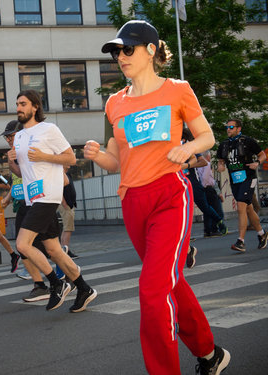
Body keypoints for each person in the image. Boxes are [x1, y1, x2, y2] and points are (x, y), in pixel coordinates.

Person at [85, 20, 230, 374]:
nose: (121, 57)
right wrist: (95, 155)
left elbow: (207, 136)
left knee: (152, 290)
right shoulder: (113, 104)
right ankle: (210, 354)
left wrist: (189, 149)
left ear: (151, 50)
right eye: (116, 51)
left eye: (128, 49)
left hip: (169, 195)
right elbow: (115, 161)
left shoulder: (178, 91)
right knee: (170, 284)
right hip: (132, 202)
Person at [10, 89, 97, 313]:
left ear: (35, 107)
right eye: (17, 104)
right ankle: (83, 288)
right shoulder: (19, 136)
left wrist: (44, 156)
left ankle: (56, 284)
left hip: (48, 195)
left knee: (22, 244)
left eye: (23, 104)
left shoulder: (49, 129)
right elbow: (25, 169)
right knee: (54, 250)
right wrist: (12, 161)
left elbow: (71, 159)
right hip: (31, 198)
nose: (18, 108)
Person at [0, 120, 50, 302]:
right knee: (26, 246)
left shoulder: (27, 148)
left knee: (46, 246)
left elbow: (23, 173)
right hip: (25, 203)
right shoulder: (16, 151)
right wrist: (7, 198)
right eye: (6, 136)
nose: (8, 139)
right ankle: (40, 284)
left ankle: (66, 277)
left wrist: (11, 160)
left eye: (10, 135)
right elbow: (17, 179)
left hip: (39, 201)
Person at [217, 118, 267, 252]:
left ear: (239, 128)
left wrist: (257, 163)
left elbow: (262, 155)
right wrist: (220, 166)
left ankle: (241, 241)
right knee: (249, 209)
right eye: (227, 127)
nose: (228, 129)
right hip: (235, 180)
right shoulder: (224, 144)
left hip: (249, 178)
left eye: (231, 127)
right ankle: (262, 234)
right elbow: (221, 160)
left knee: (240, 207)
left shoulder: (248, 141)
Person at [181, 129, 227, 238]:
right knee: (182, 209)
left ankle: (218, 221)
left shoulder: (191, 147)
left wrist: (187, 166)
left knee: (204, 207)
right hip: (180, 182)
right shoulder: (173, 147)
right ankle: (185, 236)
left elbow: (203, 162)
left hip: (193, 182)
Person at [197, 150, 225, 236]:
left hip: (203, 189)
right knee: (217, 209)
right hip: (209, 188)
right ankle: (214, 229)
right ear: (207, 156)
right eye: (210, 156)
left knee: (207, 210)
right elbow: (206, 178)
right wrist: (206, 186)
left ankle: (207, 230)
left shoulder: (197, 165)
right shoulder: (207, 164)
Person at [57, 165, 79, 259]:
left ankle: (64, 249)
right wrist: (64, 203)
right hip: (65, 205)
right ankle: (65, 251)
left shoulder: (67, 174)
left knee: (67, 228)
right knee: (68, 228)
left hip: (70, 204)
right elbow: (58, 189)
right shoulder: (59, 174)